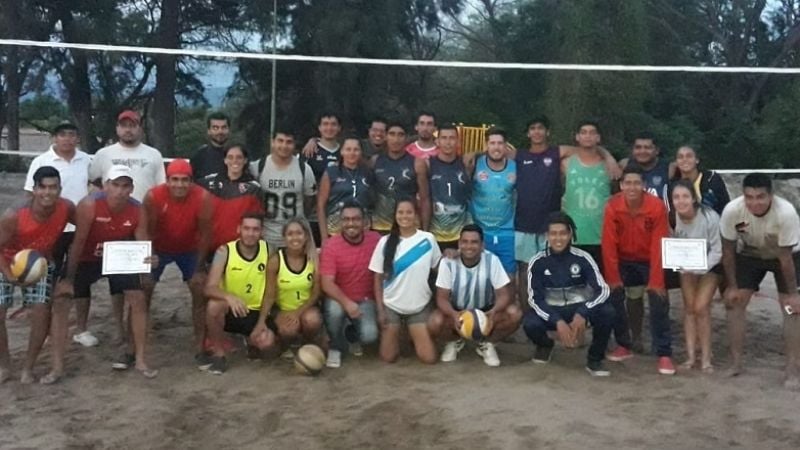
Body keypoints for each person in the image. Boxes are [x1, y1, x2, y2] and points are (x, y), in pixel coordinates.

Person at [52, 165, 158, 380]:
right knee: (62, 299)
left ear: (131, 188)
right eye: (115, 185)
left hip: (118, 257)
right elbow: (78, 243)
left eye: (125, 186)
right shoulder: (89, 205)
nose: (120, 191)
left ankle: (140, 359)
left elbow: (143, 242)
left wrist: (150, 260)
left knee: (138, 298)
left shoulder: (137, 209)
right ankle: (57, 365)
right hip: (86, 257)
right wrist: (69, 279)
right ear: (106, 186)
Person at [514, 116, 619, 307]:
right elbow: (493, 153)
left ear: (548, 132)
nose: (537, 132)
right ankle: (528, 314)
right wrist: (472, 155)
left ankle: (559, 313)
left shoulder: (559, 153)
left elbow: (587, 148)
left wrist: (608, 156)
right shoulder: (519, 155)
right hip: (524, 223)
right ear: (527, 133)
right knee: (525, 270)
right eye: (533, 128)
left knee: (556, 270)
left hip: (553, 225)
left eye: (541, 128)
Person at [720, 173, 800, 387]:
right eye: (750, 197)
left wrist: (793, 294)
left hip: (785, 256)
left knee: (792, 310)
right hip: (751, 253)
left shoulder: (786, 213)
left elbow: (785, 258)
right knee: (734, 303)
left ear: (771, 196)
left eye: (760, 197)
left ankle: (792, 369)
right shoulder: (732, 211)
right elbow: (728, 251)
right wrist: (733, 286)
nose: (755, 202)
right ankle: (736, 363)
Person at [24, 121, 94, 347]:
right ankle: (44, 331)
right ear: (54, 138)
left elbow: (95, 189)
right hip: (49, 230)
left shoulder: (87, 161)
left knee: (79, 280)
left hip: (78, 230)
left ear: (78, 138)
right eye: (62, 134)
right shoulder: (40, 162)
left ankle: (82, 329)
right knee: (45, 279)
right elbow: (29, 196)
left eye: (72, 134)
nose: (67, 138)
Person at [0, 167, 73, 384]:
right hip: (6, 260)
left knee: (41, 310)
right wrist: (9, 274)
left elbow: (83, 228)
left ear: (60, 189)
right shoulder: (14, 215)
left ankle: (28, 368)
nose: (48, 193)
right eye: (43, 187)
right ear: (34, 190)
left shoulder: (67, 207)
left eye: (53, 187)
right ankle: (4, 364)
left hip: (38, 262)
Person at [602, 166, 674, 375]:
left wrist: (656, 281)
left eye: (636, 183)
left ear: (644, 186)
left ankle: (664, 353)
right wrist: (613, 278)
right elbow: (609, 244)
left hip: (649, 259)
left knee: (658, 298)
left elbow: (658, 245)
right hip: (624, 259)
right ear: (621, 185)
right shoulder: (613, 206)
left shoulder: (656, 207)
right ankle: (623, 344)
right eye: (628, 183)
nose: (632, 187)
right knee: (612, 294)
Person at [523, 213, 615, 376]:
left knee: (608, 312)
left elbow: (603, 290)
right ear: (547, 236)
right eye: (553, 234)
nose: (558, 239)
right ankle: (545, 345)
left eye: (563, 233)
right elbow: (534, 299)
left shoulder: (583, 258)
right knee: (530, 323)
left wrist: (583, 312)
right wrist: (556, 321)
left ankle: (595, 358)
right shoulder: (537, 262)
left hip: (579, 311)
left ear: (570, 234)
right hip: (553, 311)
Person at [142, 159, 213, 363]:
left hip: (189, 248)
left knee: (200, 288)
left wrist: (199, 268)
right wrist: (148, 256)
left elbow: (206, 235)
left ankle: (200, 345)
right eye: (175, 180)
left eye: (185, 180)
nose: (180, 185)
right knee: (143, 287)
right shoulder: (153, 196)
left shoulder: (203, 197)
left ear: (191, 181)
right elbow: (146, 230)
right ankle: (135, 345)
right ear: (167, 180)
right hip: (159, 247)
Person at [429, 224, 522, 367]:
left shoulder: (492, 260)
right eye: (465, 242)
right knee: (434, 321)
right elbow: (441, 298)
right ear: (459, 244)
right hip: (457, 311)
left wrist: (494, 312)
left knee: (514, 314)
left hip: (486, 311)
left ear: (482, 245)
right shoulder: (448, 263)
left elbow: (504, 295)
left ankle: (486, 344)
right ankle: (454, 341)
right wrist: (454, 315)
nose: (469, 246)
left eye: (474, 242)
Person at [369, 199, 441, 364]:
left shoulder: (428, 239)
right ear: (395, 216)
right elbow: (377, 278)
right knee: (388, 357)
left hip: (419, 307)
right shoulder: (384, 242)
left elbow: (439, 270)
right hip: (391, 306)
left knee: (429, 358)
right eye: (400, 212)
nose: (404, 216)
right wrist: (380, 310)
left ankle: (408, 333)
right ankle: (399, 333)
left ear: (416, 215)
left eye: (409, 212)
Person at [203, 213, 275, 375]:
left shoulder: (268, 250)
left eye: (255, 229)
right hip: (232, 309)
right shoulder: (225, 251)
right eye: (246, 228)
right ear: (239, 229)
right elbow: (209, 288)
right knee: (213, 305)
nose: (250, 233)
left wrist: (262, 321)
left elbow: (271, 291)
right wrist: (229, 297)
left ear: (261, 232)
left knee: (267, 344)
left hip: (256, 311)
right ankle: (219, 354)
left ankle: (250, 341)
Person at [320, 200, 381, 368]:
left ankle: (351, 334)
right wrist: (347, 303)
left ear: (364, 222)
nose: (351, 223)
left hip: (366, 299)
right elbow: (327, 283)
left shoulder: (376, 240)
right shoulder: (331, 245)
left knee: (370, 336)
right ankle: (335, 346)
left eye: (355, 219)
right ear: (341, 222)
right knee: (334, 310)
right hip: (339, 299)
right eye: (346, 219)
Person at [671, 180, 722, 373]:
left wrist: (701, 267)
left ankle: (707, 358)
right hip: (687, 265)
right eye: (676, 197)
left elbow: (718, 251)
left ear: (694, 198)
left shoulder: (710, 217)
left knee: (701, 308)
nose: (681, 201)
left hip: (711, 265)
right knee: (689, 309)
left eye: (685, 196)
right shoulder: (674, 216)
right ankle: (691, 356)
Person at [265, 219, 323, 357]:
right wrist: (263, 321)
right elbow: (269, 295)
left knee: (312, 320)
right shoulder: (275, 260)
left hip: (306, 308)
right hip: (282, 309)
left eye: (299, 233)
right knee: (288, 330)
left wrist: (298, 312)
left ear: (306, 236)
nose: (295, 237)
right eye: (290, 234)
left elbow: (316, 293)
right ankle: (285, 344)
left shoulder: (313, 259)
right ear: (284, 238)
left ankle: (307, 343)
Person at [561, 121, 613, 270]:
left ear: (598, 138)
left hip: (601, 235)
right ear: (577, 137)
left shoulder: (609, 165)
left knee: (601, 284)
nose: (588, 136)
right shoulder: (566, 163)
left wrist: (608, 156)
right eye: (583, 132)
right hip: (574, 235)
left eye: (592, 133)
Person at [254, 129, 316, 251]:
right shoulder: (258, 167)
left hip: (296, 235)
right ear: (272, 142)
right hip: (267, 235)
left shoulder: (304, 169)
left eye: (289, 142)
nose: (284, 146)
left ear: (294, 144)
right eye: (280, 141)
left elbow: (309, 200)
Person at [468, 128, 516, 276]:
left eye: (500, 143)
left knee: (509, 279)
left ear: (506, 146)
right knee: (481, 277)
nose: (496, 147)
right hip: (481, 232)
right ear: (486, 145)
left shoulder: (515, 167)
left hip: (507, 232)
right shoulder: (474, 164)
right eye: (492, 143)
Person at [89, 110, 166, 202]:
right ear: (117, 128)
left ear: (140, 129)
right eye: (124, 126)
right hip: (112, 212)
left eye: (132, 126)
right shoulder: (103, 154)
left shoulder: (154, 154)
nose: (128, 130)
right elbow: (92, 182)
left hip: (144, 211)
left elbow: (161, 186)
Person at [201, 144, 264, 253]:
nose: (234, 161)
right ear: (225, 160)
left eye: (239, 157)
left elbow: (256, 223)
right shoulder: (208, 183)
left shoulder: (254, 188)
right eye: (230, 157)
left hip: (239, 251)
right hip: (210, 250)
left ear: (245, 160)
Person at [370, 122, 430, 233]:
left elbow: (424, 199)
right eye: (392, 134)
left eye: (400, 135)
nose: (396, 139)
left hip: (408, 224)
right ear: (385, 137)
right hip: (380, 225)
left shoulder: (417, 163)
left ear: (406, 138)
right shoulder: (375, 161)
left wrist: (425, 231)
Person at [420, 124, 470, 250]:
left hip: (461, 234)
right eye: (444, 138)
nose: (448, 142)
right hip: (435, 233)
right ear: (437, 141)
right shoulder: (428, 164)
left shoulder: (466, 164)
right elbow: (424, 198)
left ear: (458, 141)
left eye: (452, 138)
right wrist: (424, 231)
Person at [317, 137, 373, 244]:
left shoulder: (367, 172)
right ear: (342, 151)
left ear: (361, 152)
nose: (352, 153)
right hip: (336, 229)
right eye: (348, 149)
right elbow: (320, 206)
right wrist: (324, 238)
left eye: (356, 149)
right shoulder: (331, 172)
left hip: (362, 231)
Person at [669, 145, 730, 216]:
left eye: (689, 156)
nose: (684, 160)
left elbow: (726, 208)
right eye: (680, 157)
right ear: (676, 161)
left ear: (697, 160)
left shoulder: (711, 179)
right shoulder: (673, 185)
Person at [619, 131, 676, 202]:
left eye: (647, 148)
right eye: (638, 147)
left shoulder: (669, 168)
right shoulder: (624, 165)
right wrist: (607, 156)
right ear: (633, 150)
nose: (642, 151)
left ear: (657, 150)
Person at [190, 111, 231, 180]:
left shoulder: (237, 155)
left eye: (223, 127)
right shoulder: (199, 156)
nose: (220, 131)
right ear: (208, 131)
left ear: (229, 130)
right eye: (215, 128)